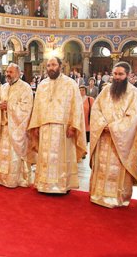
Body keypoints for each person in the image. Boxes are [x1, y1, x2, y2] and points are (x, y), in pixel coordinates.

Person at [28, 57, 87, 194]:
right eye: (48, 65)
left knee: (61, 158)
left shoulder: (70, 84)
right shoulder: (42, 84)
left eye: (54, 65)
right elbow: (37, 106)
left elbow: (76, 106)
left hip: (63, 128)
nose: (51, 68)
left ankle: (62, 185)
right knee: (45, 157)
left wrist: (73, 125)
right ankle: (43, 184)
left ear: (60, 66)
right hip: (45, 127)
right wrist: (36, 125)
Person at [89, 62, 137, 208]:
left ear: (128, 75)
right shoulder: (105, 91)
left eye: (121, 74)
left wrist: (113, 127)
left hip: (121, 141)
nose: (117, 77)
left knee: (117, 169)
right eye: (115, 74)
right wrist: (102, 125)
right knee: (101, 166)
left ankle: (118, 197)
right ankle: (98, 194)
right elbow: (96, 110)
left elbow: (134, 117)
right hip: (103, 137)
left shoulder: (134, 93)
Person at [0, 63, 34, 188]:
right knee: (2, 154)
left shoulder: (25, 88)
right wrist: (0, 106)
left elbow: (26, 108)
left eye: (11, 72)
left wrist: (8, 106)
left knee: (14, 155)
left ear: (18, 73)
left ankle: (16, 179)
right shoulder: (3, 87)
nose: (8, 74)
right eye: (7, 72)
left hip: (17, 128)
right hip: (4, 127)